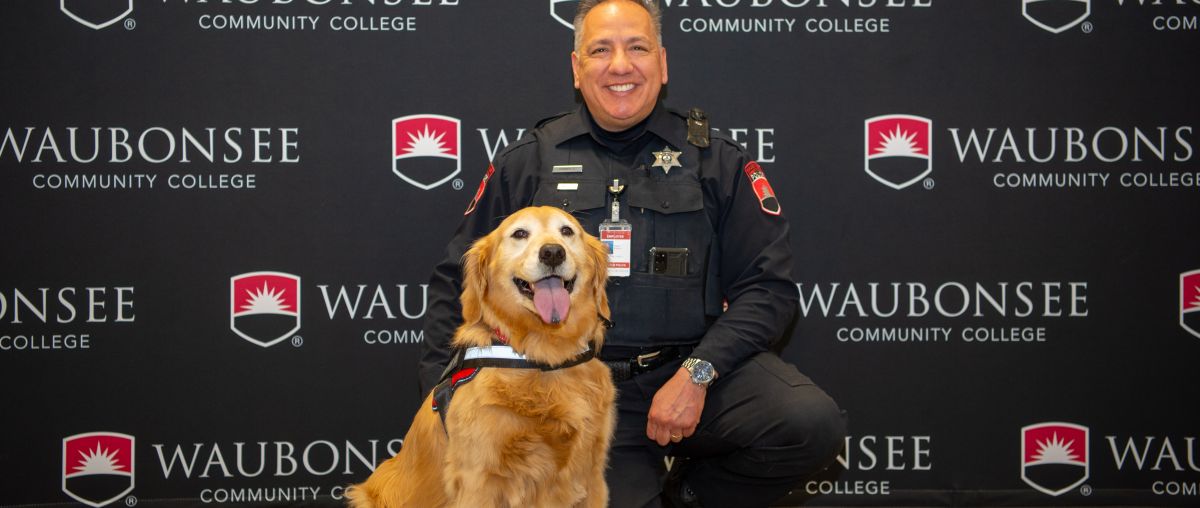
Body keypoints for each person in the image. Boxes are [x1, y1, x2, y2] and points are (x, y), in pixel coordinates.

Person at [418, 1, 846, 506]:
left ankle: (687, 496)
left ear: (662, 64)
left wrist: (698, 374)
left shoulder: (716, 161)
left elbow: (767, 288)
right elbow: (457, 280)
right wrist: (444, 401)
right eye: (601, 49)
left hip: (691, 376)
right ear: (577, 69)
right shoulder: (528, 161)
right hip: (567, 389)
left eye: (637, 47)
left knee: (807, 423)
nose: (620, 65)